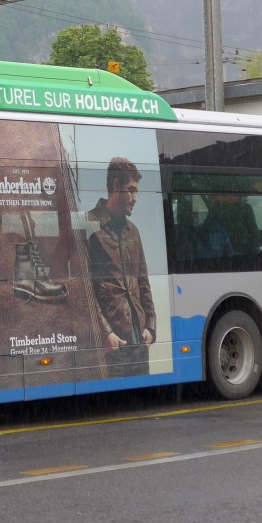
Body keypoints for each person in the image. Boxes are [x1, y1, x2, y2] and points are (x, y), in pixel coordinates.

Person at [86, 157, 156, 372]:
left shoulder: (133, 231)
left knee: (144, 403)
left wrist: (151, 327)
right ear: (116, 186)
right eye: (131, 190)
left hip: (139, 338)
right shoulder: (88, 225)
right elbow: (85, 288)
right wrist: (105, 332)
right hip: (113, 343)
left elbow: (143, 281)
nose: (135, 198)